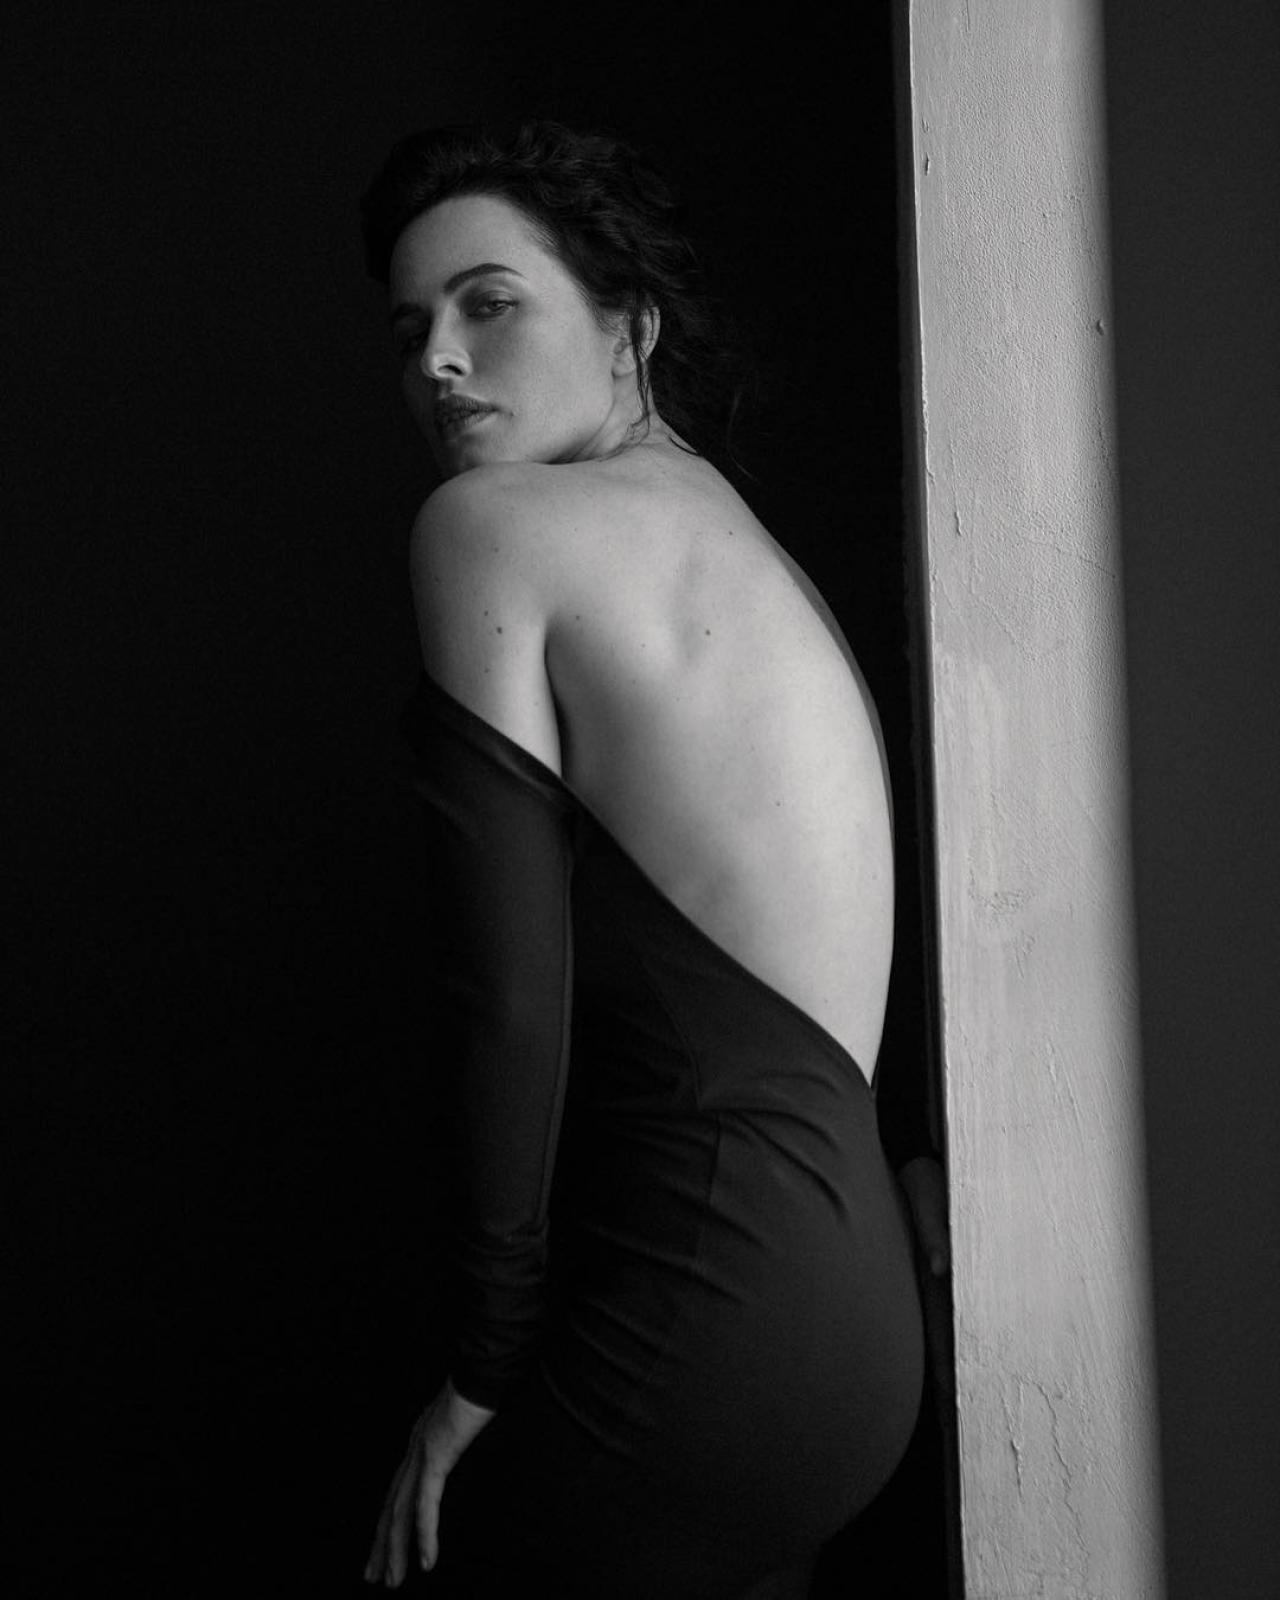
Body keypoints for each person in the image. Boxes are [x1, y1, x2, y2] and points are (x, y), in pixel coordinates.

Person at [358, 120, 947, 1598]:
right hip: (857, 1336)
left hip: (705, 1307)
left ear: (630, 321)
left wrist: (482, 1364)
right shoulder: (753, 558)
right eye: (412, 329)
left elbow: (508, 1001)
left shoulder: (490, 530)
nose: (440, 360)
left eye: (490, 304)